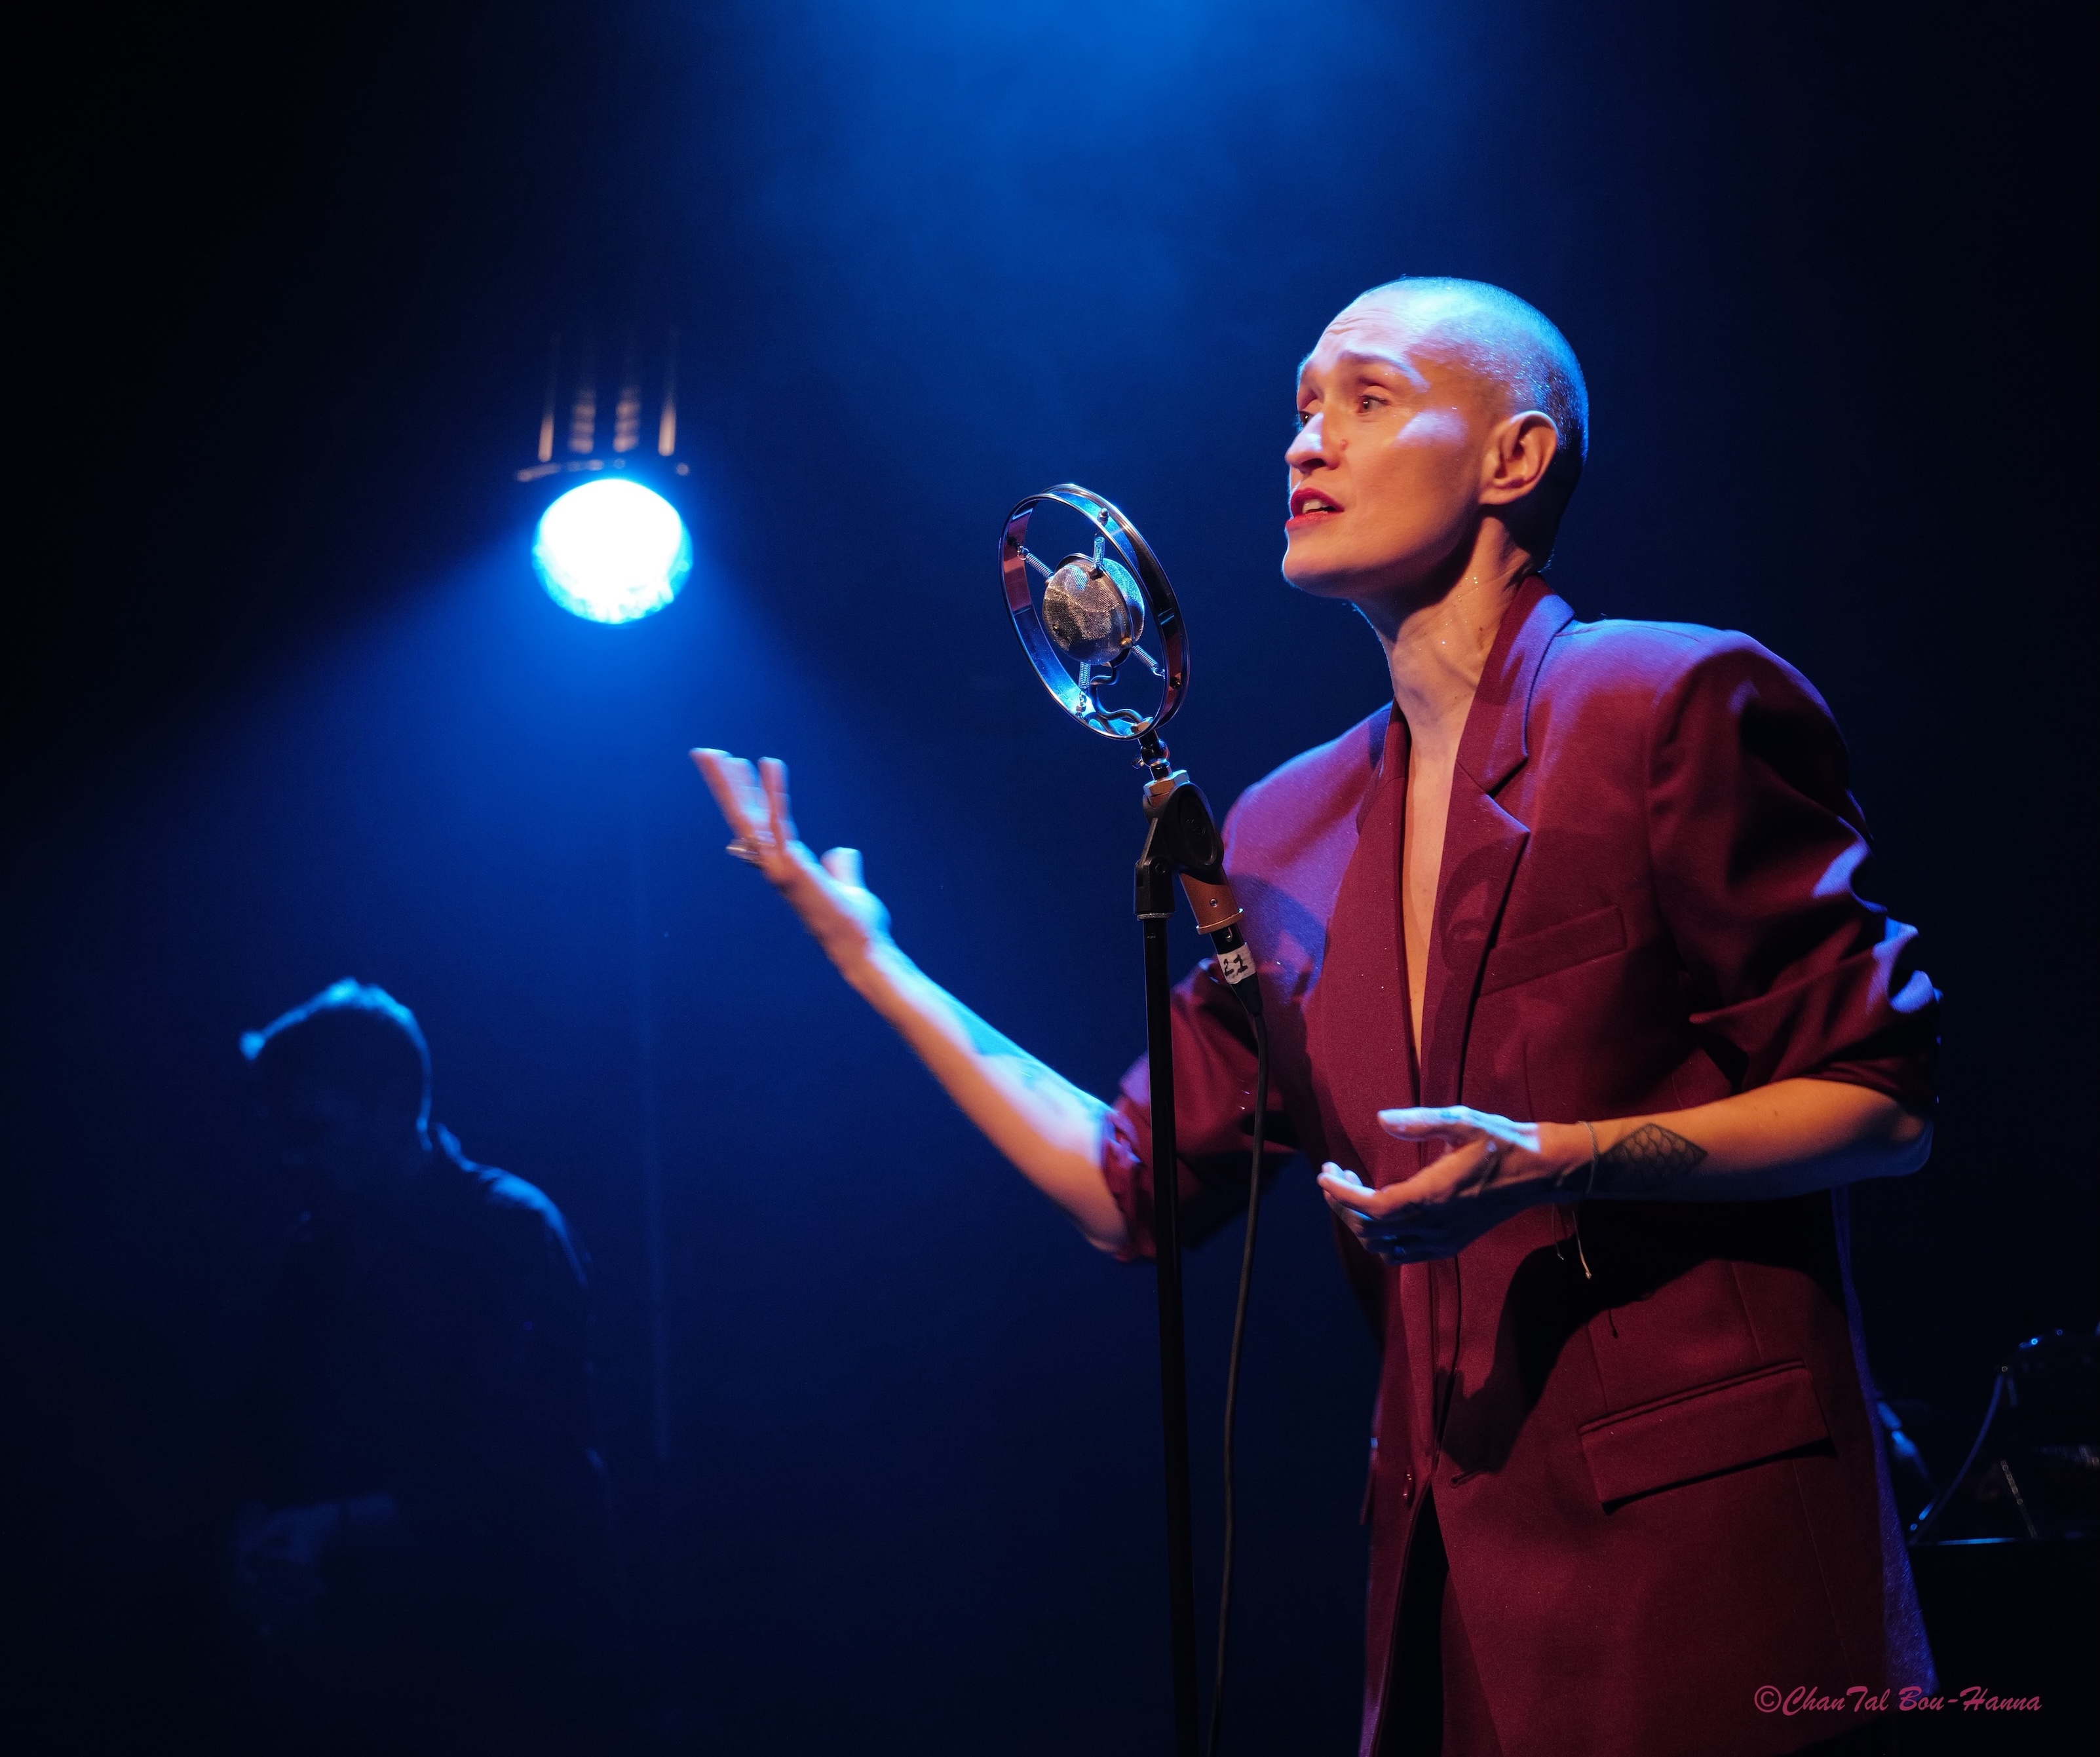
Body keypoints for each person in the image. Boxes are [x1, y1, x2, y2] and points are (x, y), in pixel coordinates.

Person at [691, 278, 1938, 1757]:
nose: (1303, 442)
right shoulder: (1285, 829)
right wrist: (871, 961)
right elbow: (1127, 1185)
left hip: (1710, 1577)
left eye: (1366, 398)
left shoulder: (1662, 701)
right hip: (1450, 1598)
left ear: (1513, 458)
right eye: (1298, 408)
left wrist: (1558, 1157)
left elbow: (1880, 1103)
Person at [228, 980, 623, 1754]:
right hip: (371, 1676)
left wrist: (330, 1527)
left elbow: (521, 1468)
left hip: (508, 1675)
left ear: (392, 1106)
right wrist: (255, 1540)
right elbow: (271, 1428)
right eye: (283, 1131)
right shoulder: (314, 1255)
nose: (294, 1155)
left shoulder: (509, 1232)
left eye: (315, 1128)